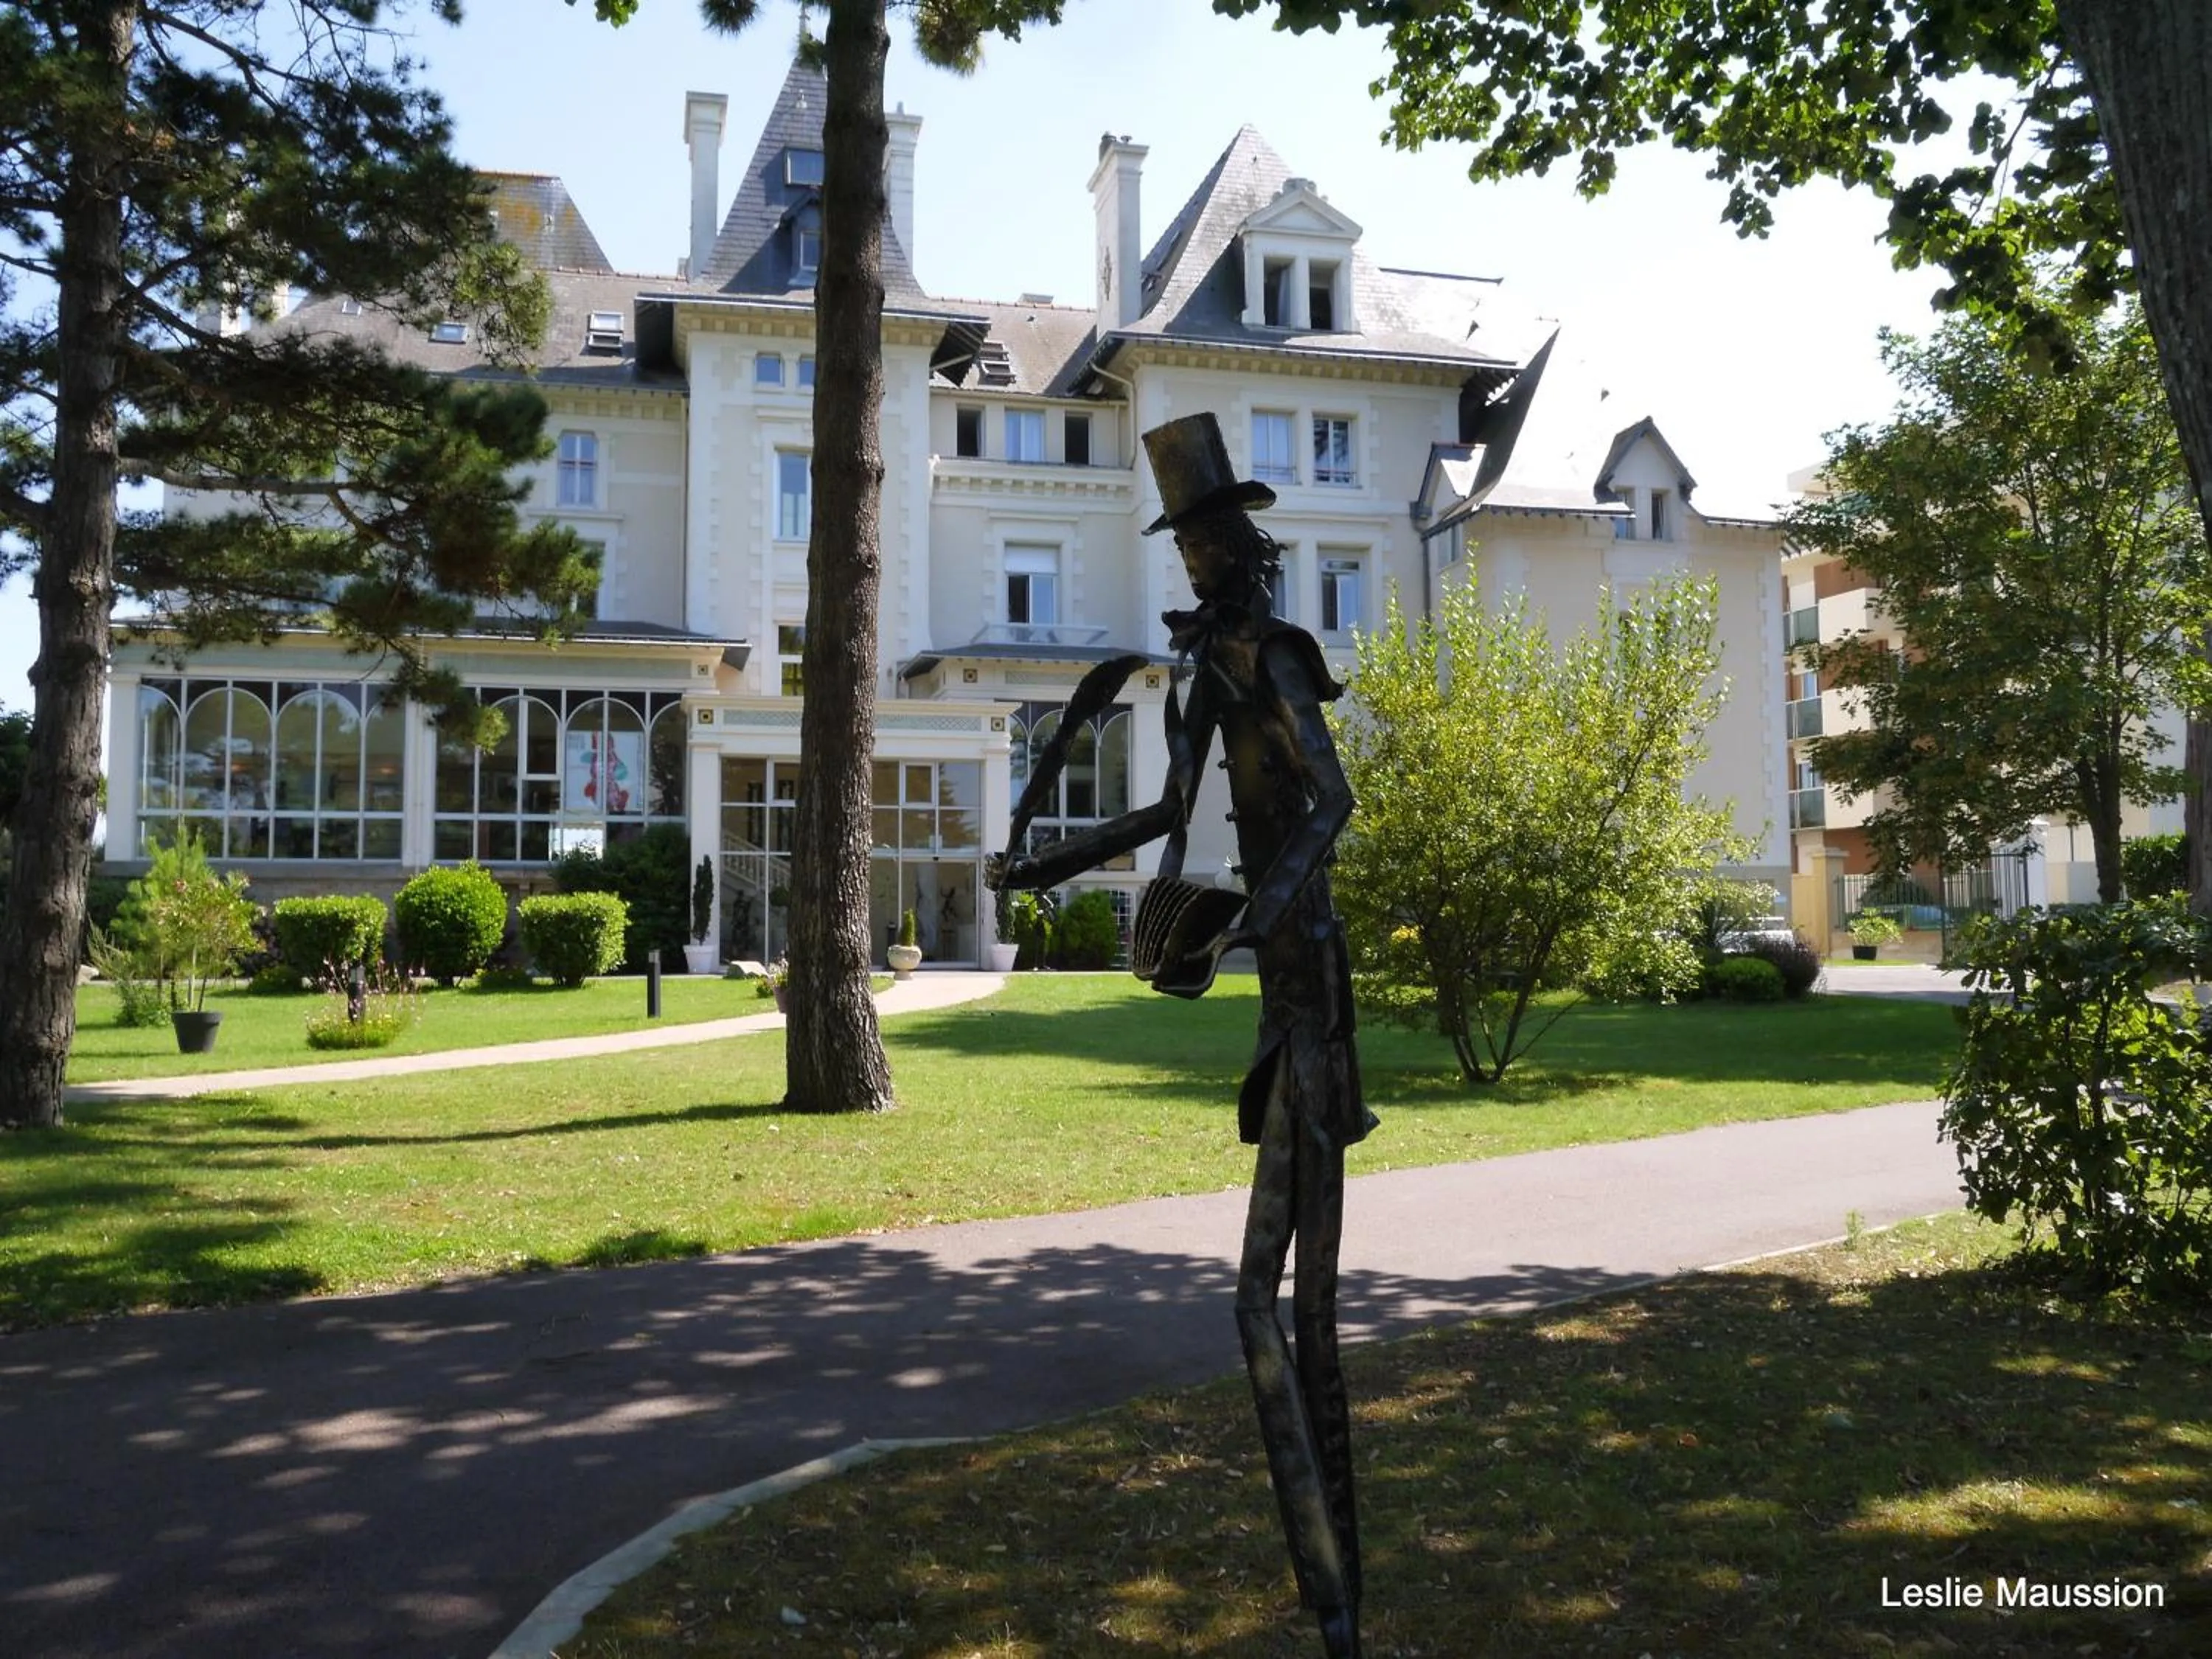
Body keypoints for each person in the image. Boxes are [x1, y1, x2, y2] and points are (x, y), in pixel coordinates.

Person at [987, 411, 1372, 1658]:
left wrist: (1255, 922)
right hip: (1277, 990)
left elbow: (1333, 801)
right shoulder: (1210, 672)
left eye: (1208, 539)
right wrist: (1047, 864)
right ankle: (1339, 1602)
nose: (1195, 562)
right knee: (1285, 1309)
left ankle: (1336, 1599)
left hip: (1309, 992)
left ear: (1239, 542)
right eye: (1184, 545)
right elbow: (1165, 812)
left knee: (1277, 1307)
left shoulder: (1278, 658)